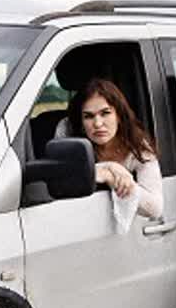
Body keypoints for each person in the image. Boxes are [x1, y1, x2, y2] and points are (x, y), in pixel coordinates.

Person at [56, 78, 162, 228]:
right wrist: (108, 168)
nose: (98, 124)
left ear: (119, 115)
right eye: (88, 116)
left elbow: (155, 208)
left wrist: (114, 179)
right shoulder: (69, 132)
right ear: (81, 122)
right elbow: (61, 178)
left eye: (105, 113)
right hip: (73, 224)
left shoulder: (138, 148)